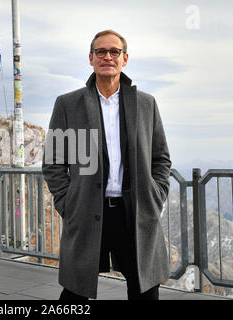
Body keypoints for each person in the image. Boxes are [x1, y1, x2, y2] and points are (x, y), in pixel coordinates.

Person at [42, 29, 172, 300]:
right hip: (88, 210)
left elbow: (161, 158)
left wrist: (156, 196)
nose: (108, 57)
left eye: (115, 52)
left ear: (125, 58)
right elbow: (54, 161)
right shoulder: (68, 104)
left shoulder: (146, 104)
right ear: (91, 58)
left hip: (134, 212)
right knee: (75, 292)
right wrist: (68, 203)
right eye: (101, 51)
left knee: (145, 289)